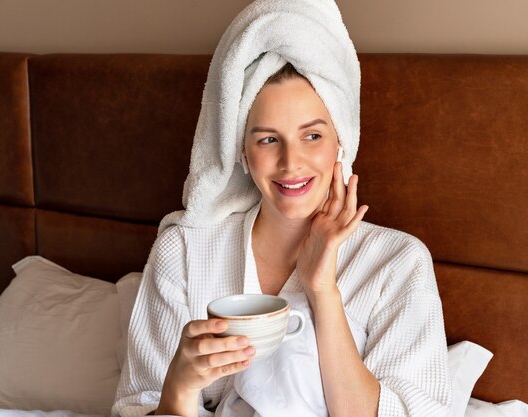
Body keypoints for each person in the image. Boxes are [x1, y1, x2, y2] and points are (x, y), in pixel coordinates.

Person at [113, 1, 451, 417]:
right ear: (241, 151)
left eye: (311, 136)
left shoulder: (396, 264)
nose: (291, 163)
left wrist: (321, 289)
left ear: (341, 141)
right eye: (268, 140)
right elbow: (137, 406)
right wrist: (179, 390)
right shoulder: (184, 252)